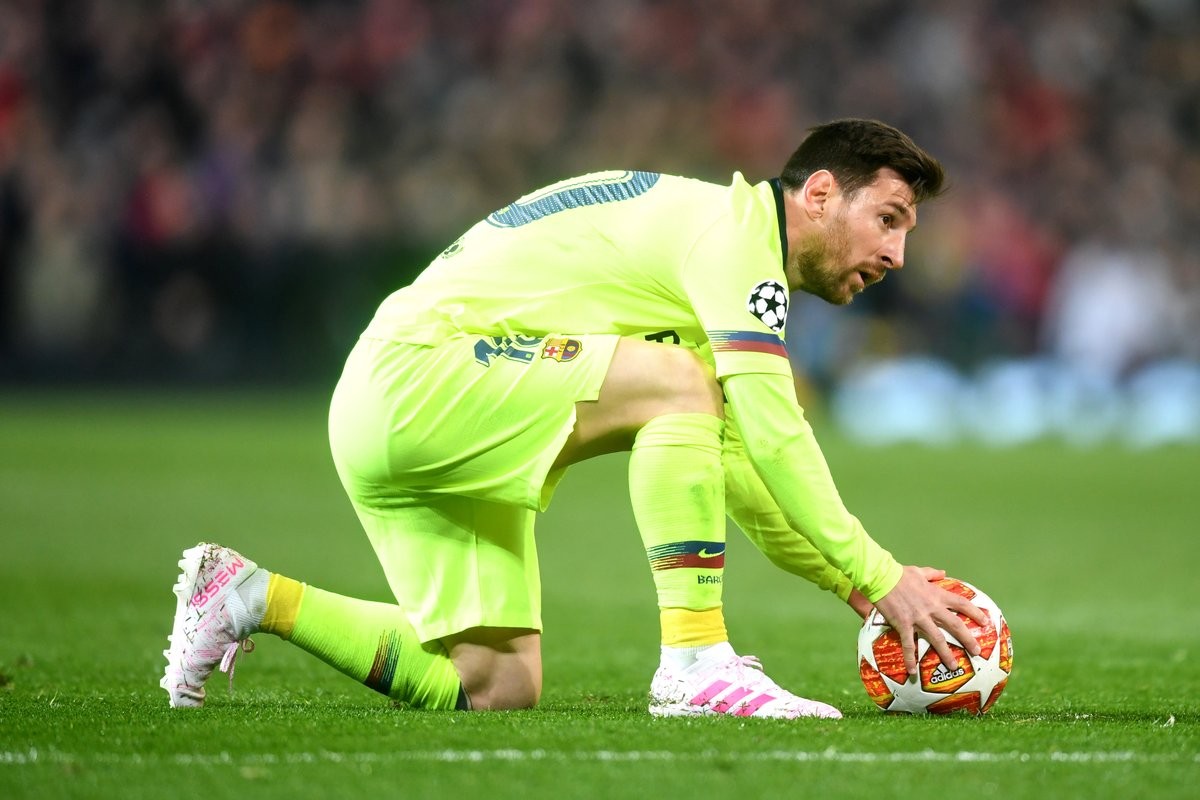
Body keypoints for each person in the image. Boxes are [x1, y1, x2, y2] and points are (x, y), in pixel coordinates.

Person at [162, 118, 986, 718]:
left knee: (495, 686)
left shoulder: (706, 251)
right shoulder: (733, 241)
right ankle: (695, 660)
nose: (896, 255)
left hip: (403, 406)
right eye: (887, 219)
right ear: (819, 193)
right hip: (420, 376)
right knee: (681, 383)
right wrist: (883, 574)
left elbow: (738, 464)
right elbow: (776, 433)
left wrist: (856, 584)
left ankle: (249, 596)